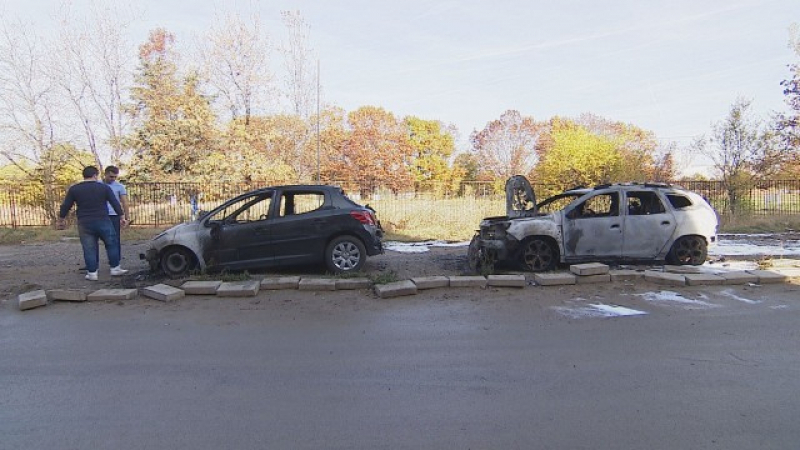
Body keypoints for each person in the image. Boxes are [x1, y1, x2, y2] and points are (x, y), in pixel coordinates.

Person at [58, 166, 128, 281]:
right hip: (103, 220)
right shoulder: (103, 188)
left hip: (84, 222)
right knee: (111, 243)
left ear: (84, 175)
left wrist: (61, 219)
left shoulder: (75, 189)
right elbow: (115, 203)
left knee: (89, 247)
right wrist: (122, 216)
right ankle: (115, 268)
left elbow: (66, 205)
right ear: (95, 175)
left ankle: (92, 273)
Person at [102, 165, 129, 260]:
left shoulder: (119, 187)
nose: (113, 179)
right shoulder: (98, 184)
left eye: (115, 177)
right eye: (111, 176)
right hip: (100, 215)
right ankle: (92, 262)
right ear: (105, 174)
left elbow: (124, 202)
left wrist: (126, 217)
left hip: (114, 215)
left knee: (114, 239)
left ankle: (115, 260)